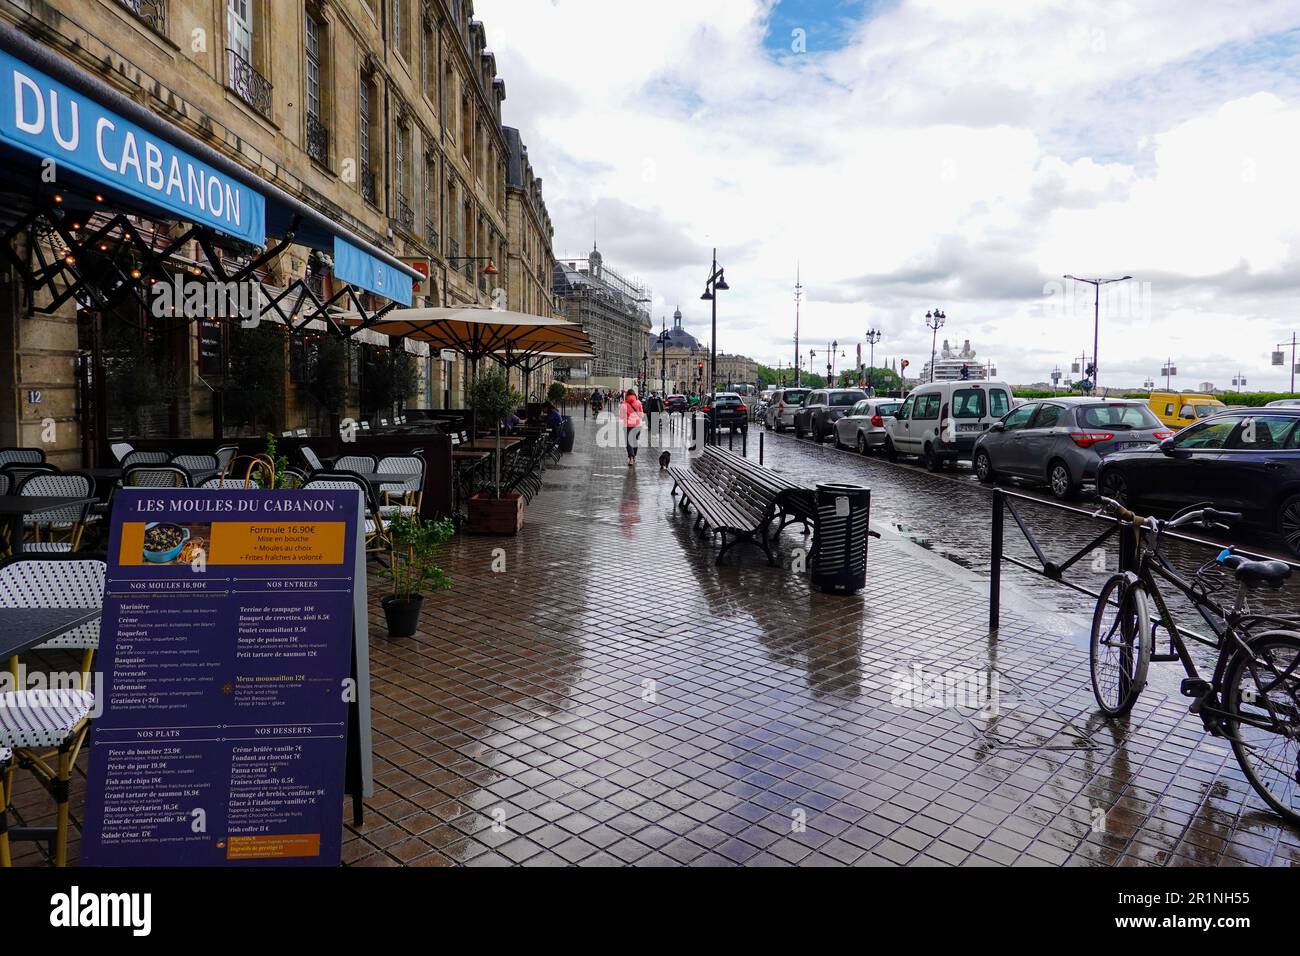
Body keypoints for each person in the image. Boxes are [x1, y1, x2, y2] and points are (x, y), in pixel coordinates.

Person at [621, 388, 644, 466]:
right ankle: (634, 457)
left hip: (627, 425)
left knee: (628, 442)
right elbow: (641, 415)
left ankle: (631, 457)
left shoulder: (624, 404)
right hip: (637, 425)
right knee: (634, 441)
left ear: (626, 395)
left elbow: (621, 416)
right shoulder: (638, 403)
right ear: (635, 395)